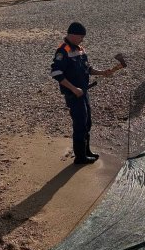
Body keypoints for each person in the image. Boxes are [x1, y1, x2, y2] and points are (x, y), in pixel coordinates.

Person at [50, 22, 125, 164]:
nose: (82, 40)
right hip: (74, 94)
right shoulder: (62, 51)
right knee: (80, 123)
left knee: (87, 122)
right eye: (80, 37)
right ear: (72, 35)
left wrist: (103, 72)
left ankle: (86, 150)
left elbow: (87, 68)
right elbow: (56, 73)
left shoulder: (80, 49)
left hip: (84, 92)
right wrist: (73, 89)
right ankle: (80, 157)